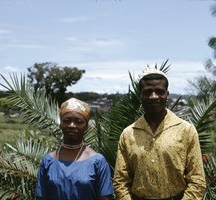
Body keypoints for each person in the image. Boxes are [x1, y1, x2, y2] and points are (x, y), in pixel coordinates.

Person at [113, 67, 206, 200]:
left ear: (167, 94)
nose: (153, 96)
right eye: (147, 92)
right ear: (140, 95)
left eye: (159, 92)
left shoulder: (186, 131)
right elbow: (120, 181)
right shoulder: (128, 134)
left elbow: (197, 180)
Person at [35, 97, 114, 200]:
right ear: (61, 124)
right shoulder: (48, 161)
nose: (72, 125)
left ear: (86, 126)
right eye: (67, 120)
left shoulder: (98, 161)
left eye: (79, 121)